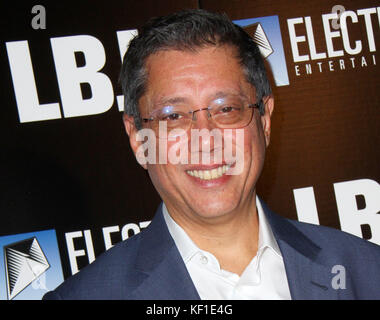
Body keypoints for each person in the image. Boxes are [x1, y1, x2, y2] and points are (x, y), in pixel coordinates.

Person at [43, 9, 380, 300]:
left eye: (227, 109)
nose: (206, 139)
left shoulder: (367, 273)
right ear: (138, 139)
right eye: (173, 116)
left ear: (264, 121)